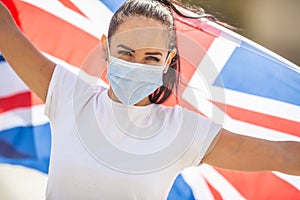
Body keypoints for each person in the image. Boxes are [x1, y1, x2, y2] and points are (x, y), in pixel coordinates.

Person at [0, 0, 299, 199]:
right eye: (126, 53)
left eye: (151, 57)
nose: (137, 65)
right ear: (105, 49)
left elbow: (283, 155)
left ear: (168, 61)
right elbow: (5, 30)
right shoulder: (67, 96)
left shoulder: (182, 131)